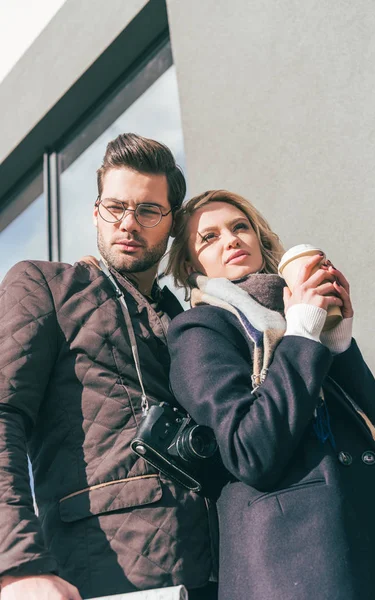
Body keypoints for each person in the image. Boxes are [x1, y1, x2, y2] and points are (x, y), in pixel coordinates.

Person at [0, 134, 218, 600]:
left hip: (222, 570)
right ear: (96, 210)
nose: (128, 224)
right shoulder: (45, 284)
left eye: (147, 211)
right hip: (103, 575)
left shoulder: (189, 322)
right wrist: (17, 566)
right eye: (115, 207)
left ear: (172, 223)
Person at [166, 189, 375, 600]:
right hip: (295, 565)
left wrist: (337, 341)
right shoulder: (199, 330)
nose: (232, 240)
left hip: (372, 545)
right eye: (210, 237)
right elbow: (249, 450)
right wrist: (304, 332)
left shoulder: (294, 318)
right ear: (189, 264)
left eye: (241, 227)